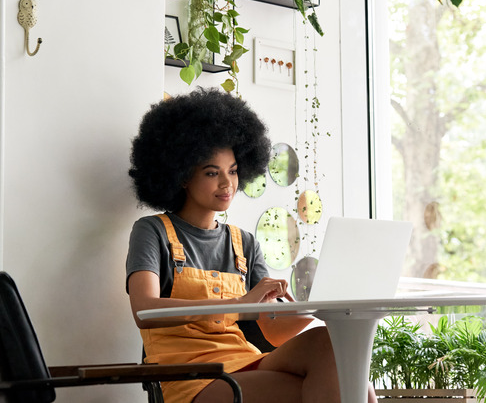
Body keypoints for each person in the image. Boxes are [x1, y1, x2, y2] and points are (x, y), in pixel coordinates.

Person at [126, 88, 374, 403]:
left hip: (244, 360)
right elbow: (144, 310)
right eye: (212, 172)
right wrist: (242, 304)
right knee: (347, 387)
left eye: (232, 171)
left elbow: (272, 332)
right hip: (190, 379)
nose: (227, 183)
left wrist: (317, 307)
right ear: (182, 176)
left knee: (331, 345)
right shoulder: (152, 231)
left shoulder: (243, 242)